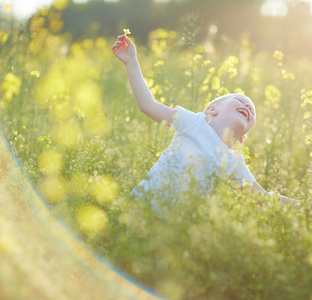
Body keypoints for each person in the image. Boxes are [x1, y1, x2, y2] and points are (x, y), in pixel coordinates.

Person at [112, 34, 297, 218]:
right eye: (240, 100)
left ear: (242, 138)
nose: (248, 106)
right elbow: (148, 105)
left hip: (179, 228)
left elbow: (261, 197)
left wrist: (305, 206)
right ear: (211, 110)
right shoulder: (193, 122)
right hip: (147, 209)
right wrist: (131, 62)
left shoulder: (233, 162)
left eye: (252, 111)